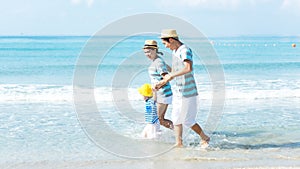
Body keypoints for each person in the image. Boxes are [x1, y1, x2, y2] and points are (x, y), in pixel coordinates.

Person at [155, 29, 210, 148]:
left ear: (171, 40)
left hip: (188, 92)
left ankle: (203, 137)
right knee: (178, 119)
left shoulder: (184, 50)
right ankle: (180, 143)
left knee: (187, 120)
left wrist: (170, 76)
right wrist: (163, 80)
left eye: (166, 44)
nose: (166, 47)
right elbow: (175, 72)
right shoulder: (176, 52)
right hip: (180, 91)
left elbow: (188, 68)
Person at [142, 40, 173, 129]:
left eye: (149, 51)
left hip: (163, 94)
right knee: (158, 119)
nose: (147, 54)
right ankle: (178, 132)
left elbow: (166, 77)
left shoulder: (158, 62)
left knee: (159, 119)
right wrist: (150, 93)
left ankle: (178, 132)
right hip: (160, 94)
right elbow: (171, 70)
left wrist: (157, 86)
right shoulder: (157, 60)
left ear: (155, 50)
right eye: (145, 52)